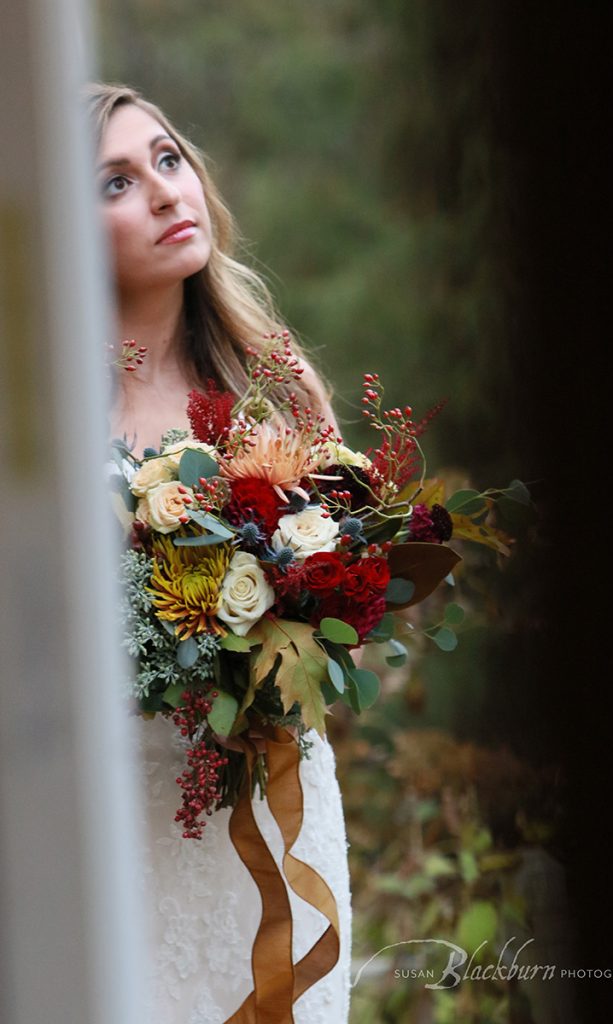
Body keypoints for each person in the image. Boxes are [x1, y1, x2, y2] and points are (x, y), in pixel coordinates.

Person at [89, 82, 352, 1024]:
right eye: (116, 181)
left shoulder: (270, 380)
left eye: (168, 160)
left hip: (281, 800)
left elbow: (346, 607)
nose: (165, 193)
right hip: (112, 828)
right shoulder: (44, 424)